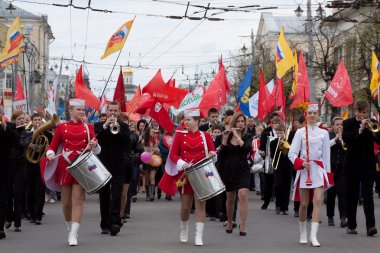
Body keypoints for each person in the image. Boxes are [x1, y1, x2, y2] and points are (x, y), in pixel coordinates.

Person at [46, 99, 100, 246]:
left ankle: (74, 233)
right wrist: (50, 154)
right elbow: (53, 146)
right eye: (79, 109)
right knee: (66, 203)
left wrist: (94, 144)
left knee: (78, 200)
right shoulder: (61, 127)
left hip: (82, 166)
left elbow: (96, 148)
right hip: (65, 166)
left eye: (83, 109)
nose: (82, 112)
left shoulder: (88, 127)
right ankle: (70, 226)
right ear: (70, 111)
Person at [158, 109, 216, 246]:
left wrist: (214, 154)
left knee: (201, 205)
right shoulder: (179, 135)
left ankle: (198, 236)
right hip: (187, 174)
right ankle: (184, 228)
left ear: (197, 121)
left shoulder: (205, 135)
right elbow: (173, 154)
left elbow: (212, 151)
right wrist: (181, 163)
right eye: (185, 119)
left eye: (189, 119)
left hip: (202, 174)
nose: (185, 122)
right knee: (185, 208)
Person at [288, 102, 330, 247]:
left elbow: (326, 156)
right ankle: (303, 232)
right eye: (309, 113)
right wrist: (300, 162)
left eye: (314, 113)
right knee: (304, 204)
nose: (312, 115)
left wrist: (328, 176)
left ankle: (314, 235)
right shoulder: (300, 132)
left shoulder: (324, 133)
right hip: (305, 170)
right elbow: (291, 153)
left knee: (317, 202)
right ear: (306, 115)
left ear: (318, 115)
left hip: (318, 170)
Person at [342, 100, 378, 236]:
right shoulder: (348, 123)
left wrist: (373, 132)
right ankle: (351, 225)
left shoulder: (373, 122)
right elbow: (347, 139)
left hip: (368, 166)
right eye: (361, 112)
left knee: (368, 196)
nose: (363, 115)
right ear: (356, 111)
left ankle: (371, 226)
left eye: (365, 112)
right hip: (352, 165)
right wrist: (360, 129)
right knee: (352, 196)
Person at [94, 102, 130, 236]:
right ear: (107, 111)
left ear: (119, 112)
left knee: (116, 194)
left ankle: (115, 222)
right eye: (111, 110)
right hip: (102, 165)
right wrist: (105, 126)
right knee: (103, 195)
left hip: (118, 164)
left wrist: (119, 130)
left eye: (116, 111)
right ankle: (105, 223)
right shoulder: (98, 125)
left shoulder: (124, 126)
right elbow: (95, 138)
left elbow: (127, 143)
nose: (113, 113)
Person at [218, 113, 253, 236]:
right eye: (238, 121)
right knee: (230, 198)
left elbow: (247, 149)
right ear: (234, 123)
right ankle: (229, 221)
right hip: (229, 170)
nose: (240, 123)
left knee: (243, 195)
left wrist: (238, 137)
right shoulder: (228, 135)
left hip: (243, 169)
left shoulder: (247, 136)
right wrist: (225, 139)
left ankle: (242, 225)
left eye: (242, 121)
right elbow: (221, 154)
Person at [5, 110, 30, 232]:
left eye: (23, 119)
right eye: (19, 118)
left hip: (21, 165)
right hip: (8, 165)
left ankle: (17, 223)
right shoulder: (8, 131)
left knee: (18, 193)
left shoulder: (27, 133)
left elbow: (22, 143)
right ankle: (9, 217)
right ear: (14, 120)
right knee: (8, 194)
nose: (21, 120)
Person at [26, 112, 52, 225]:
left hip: (42, 165)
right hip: (29, 165)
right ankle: (31, 214)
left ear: (42, 121)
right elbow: (22, 145)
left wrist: (48, 149)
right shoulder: (27, 133)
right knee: (29, 191)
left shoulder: (48, 135)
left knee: (40, 191)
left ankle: (38, 216)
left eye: (39, 119)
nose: (37, 122)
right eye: (35, 120)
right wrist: (29, 145)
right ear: (32, 121)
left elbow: (53, 147)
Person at [326, 117, 347, 227]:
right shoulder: (328, 135)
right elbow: (326, 147)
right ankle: (330, 216)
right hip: (331, 168)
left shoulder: (346, 135)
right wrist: (336, 139)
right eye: (337, 124)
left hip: (342, 168)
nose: (339, 126)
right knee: (331, 194)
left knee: (342, 193)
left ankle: (343, 217)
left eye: (341, 124)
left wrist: (343, 138)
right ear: (333, 126)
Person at [0, 110, 17, 239]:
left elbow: (14, 141)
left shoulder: (9, 126)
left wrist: (5, 127)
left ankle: (0, 227)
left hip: (4, 168)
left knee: (2, 198)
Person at [259, 115, 281, 209]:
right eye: (274, 123)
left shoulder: (282, 133)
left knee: (278, 183)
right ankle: (266, 202)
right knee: (268, 183)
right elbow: (261, 147)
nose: (276, 125)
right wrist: (262, 151)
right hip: (269, 160)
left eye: (278, 123)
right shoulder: (266, 134)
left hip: (279, 161)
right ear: (271, 124)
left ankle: (278, 204)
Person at [270, 124, 292, 215]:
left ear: (285, 133)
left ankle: (284, 207)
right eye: (278, 133)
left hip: (287, 167)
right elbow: (272, 156)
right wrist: (278, 146)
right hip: (278, 167)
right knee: (278, 185)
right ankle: (278, 205)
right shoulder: (273, 142)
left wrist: (284, 145)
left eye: (281, 133)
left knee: (286, 187)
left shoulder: (288, 142)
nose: (279, 135)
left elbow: (289, 155)